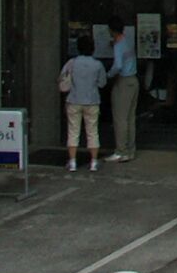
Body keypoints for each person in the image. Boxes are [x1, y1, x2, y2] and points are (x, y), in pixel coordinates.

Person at [59, 39, 108, 173]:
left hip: (74, 100)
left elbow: (62, 78)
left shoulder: (72, 63)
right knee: (92, 132)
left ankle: (73, 162)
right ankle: (93, 162)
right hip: (92, 101)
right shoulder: (97, 64)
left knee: (73, 131)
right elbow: (102, 83)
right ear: (93, 49)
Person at [106, 18, 139, 164]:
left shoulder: (118, 45)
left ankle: (121, 151)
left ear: (111, 30)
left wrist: (108, 75)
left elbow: (118, 66)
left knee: (120, 118)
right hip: (133, 80)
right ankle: (130, 150)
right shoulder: (127, 41)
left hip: (123, 82)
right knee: (130, 118)